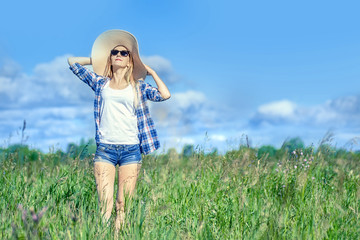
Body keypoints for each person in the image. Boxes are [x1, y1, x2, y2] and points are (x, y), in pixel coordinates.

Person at [67, 30, 170, 231]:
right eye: (115, 52)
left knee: (123, 204)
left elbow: (165, 95)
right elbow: (72, 62)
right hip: (105, 149)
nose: (119, 55)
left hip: (131, 150)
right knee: (104, 207)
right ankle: (102, 235)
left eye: (124, 53)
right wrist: (95, 59)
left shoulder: (139, 87)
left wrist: (152, 72)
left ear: (131, 60)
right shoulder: (99, 83)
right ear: (110, 57)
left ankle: (117, 236)